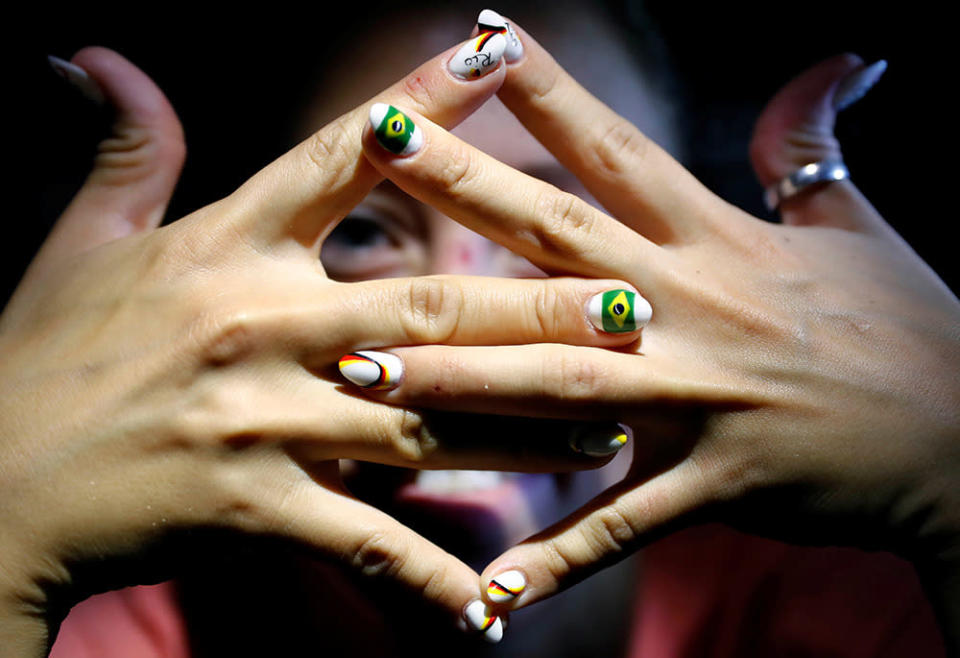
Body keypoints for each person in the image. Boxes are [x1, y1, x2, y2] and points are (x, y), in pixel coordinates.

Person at [7, 5, 957, 656]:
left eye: (555, 228)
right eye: (368, 228)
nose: (459, 354)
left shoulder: (849, 592)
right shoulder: (112, 605)